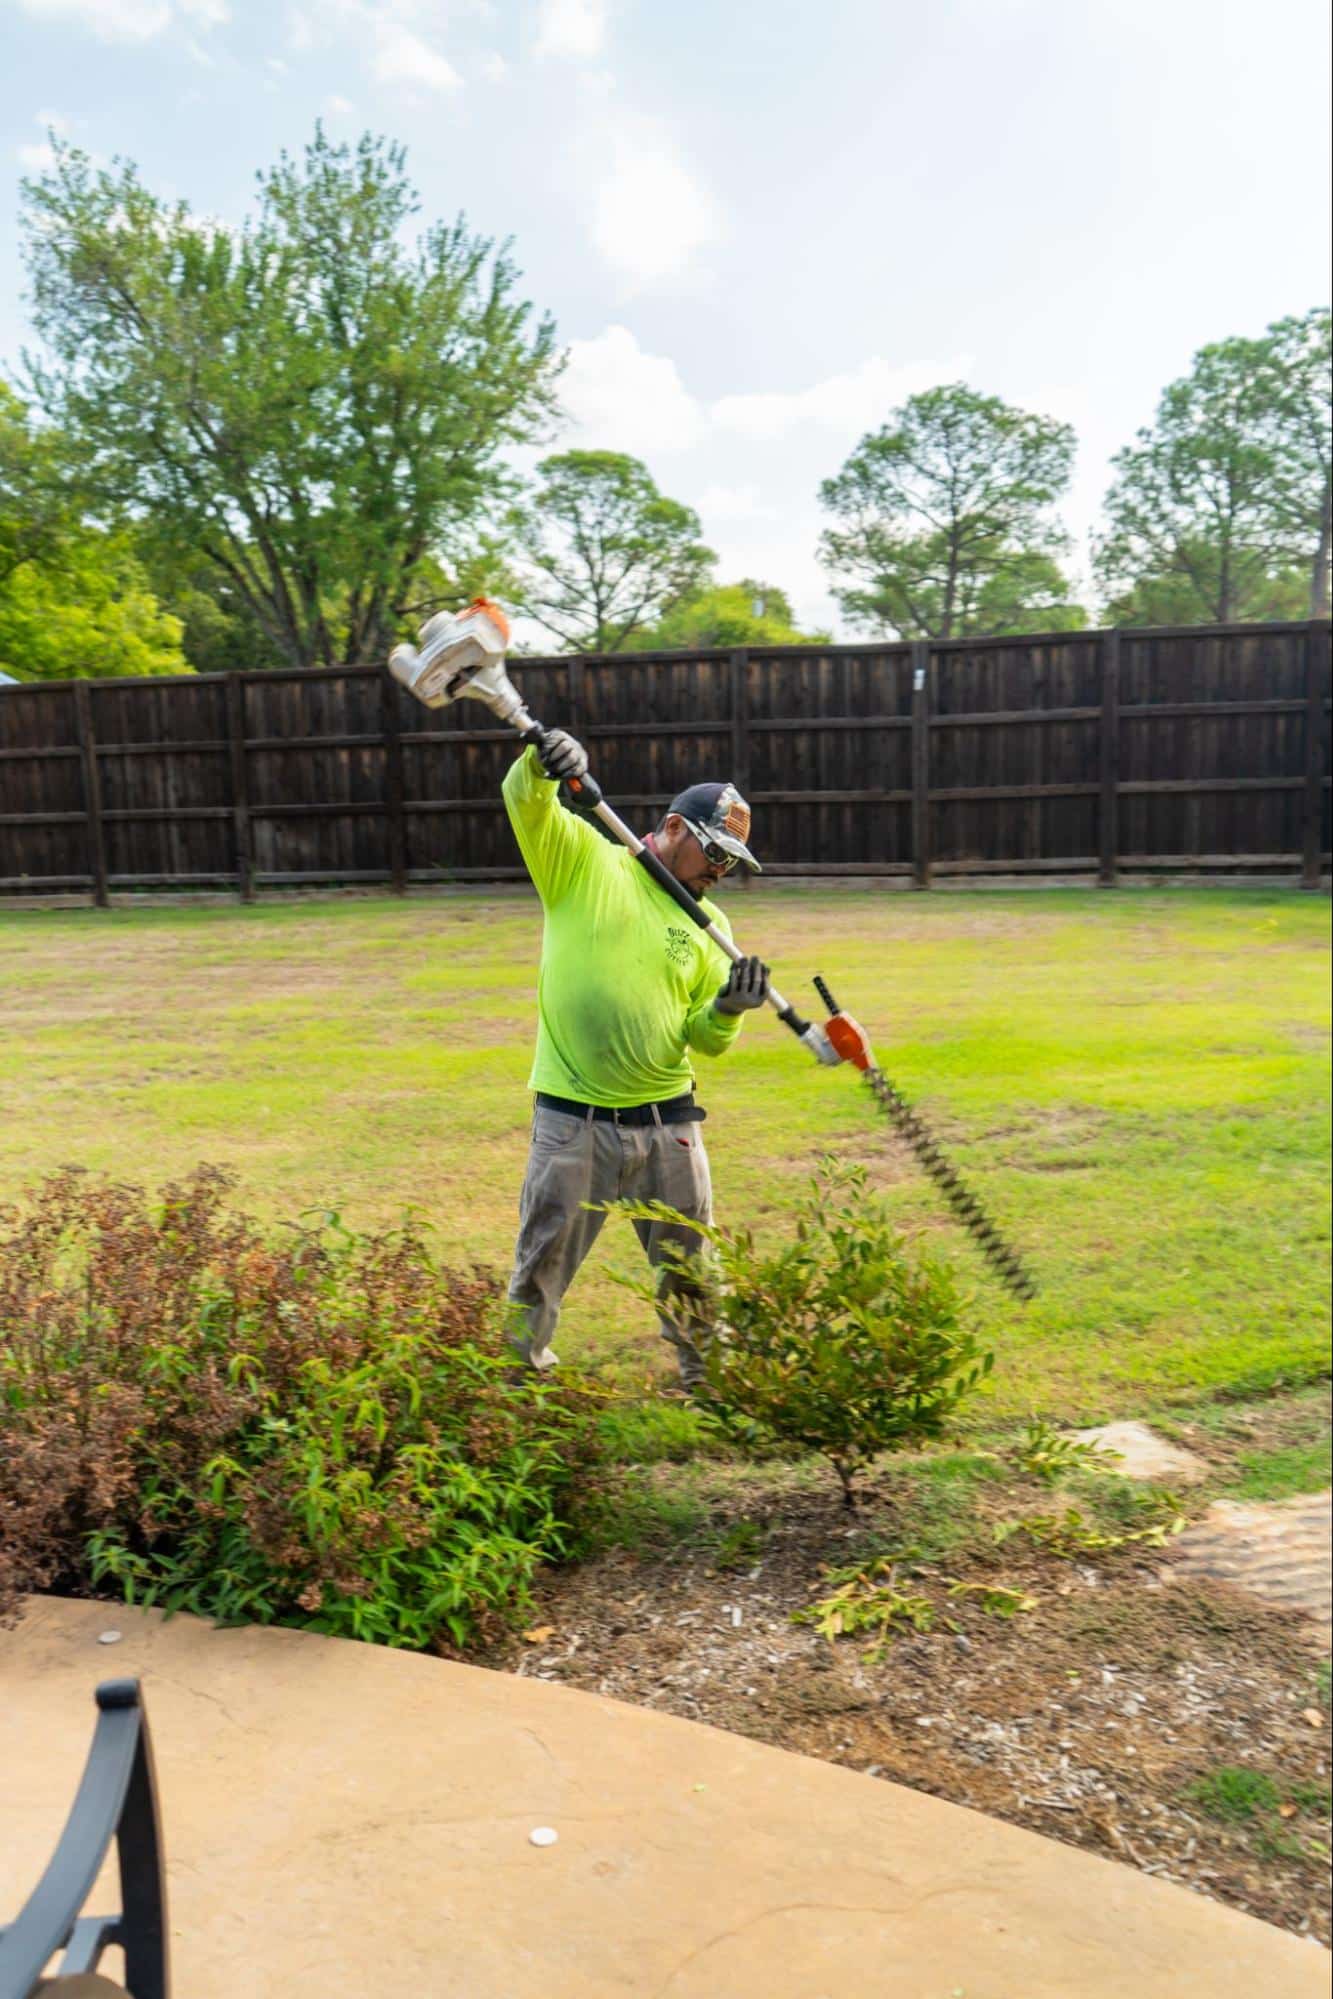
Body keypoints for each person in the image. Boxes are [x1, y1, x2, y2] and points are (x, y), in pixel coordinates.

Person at [501, 725, 770, 1391]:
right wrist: (543, 762)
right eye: (715, 853)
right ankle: (515, 1385)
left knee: (693, 1271)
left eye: (733, 863)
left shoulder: (712, 929)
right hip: (575, 1121)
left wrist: (729, 1009)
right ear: (674, 827)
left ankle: (710, 1387)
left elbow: (704, 1038)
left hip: (669, 1125)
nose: (720, 871)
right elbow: (526, 801)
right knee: (541, 1265)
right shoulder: (587, 864)